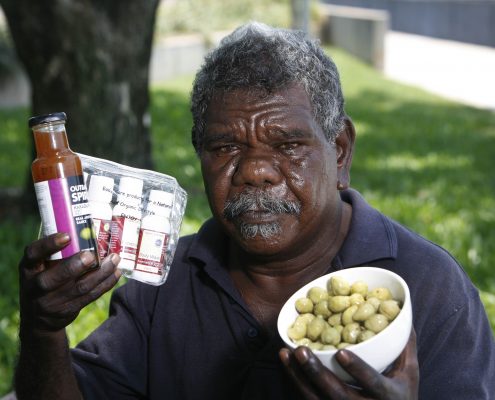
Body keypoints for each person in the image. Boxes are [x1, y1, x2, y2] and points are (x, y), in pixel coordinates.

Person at [15, 22, 495, 400]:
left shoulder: (428, 288)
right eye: (225, 147)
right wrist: (43, 332)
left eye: (288, 145)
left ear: (341, 151)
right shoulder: (164, 284)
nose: (256, 171)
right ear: (199, 155)